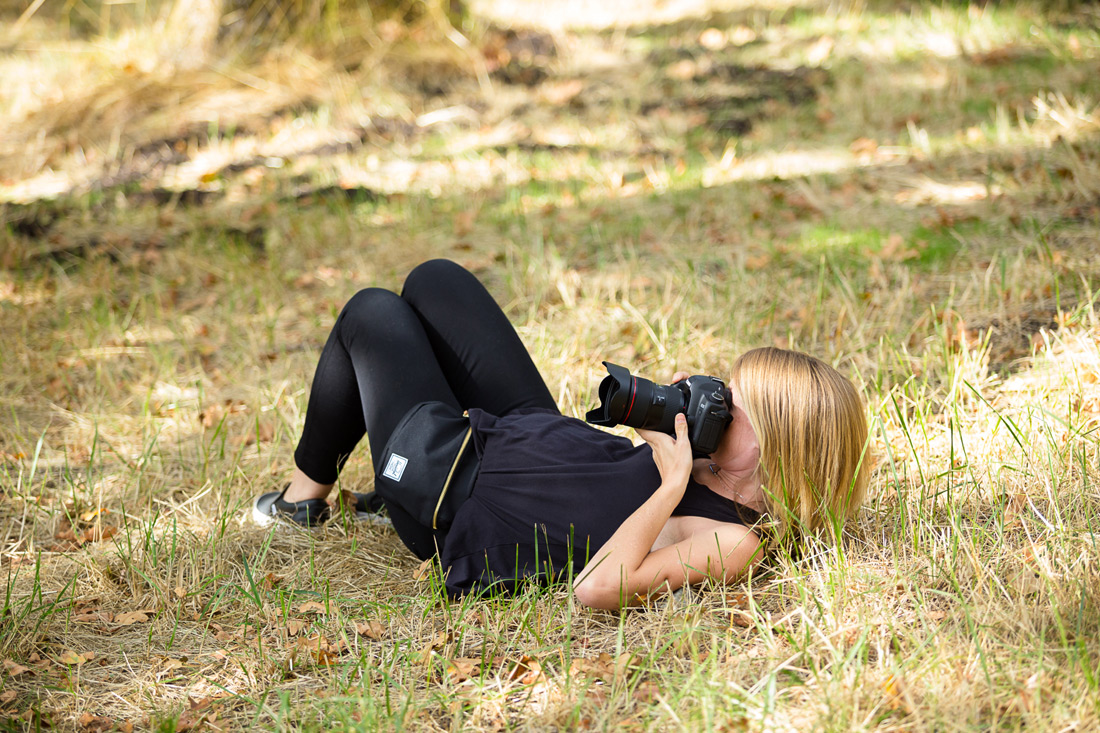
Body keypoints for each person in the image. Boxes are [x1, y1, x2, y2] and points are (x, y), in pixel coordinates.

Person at [252, 260, 871, 610]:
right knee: (436, 281)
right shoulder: (716, 459)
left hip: (464, 497)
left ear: (778, 450)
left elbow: (597, 589)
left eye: (735, 408)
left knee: (374, 313)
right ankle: (382, 482)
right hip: (537, 436)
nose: (720, 405)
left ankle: (304, 499)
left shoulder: (734, 540)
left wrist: (671, 483)